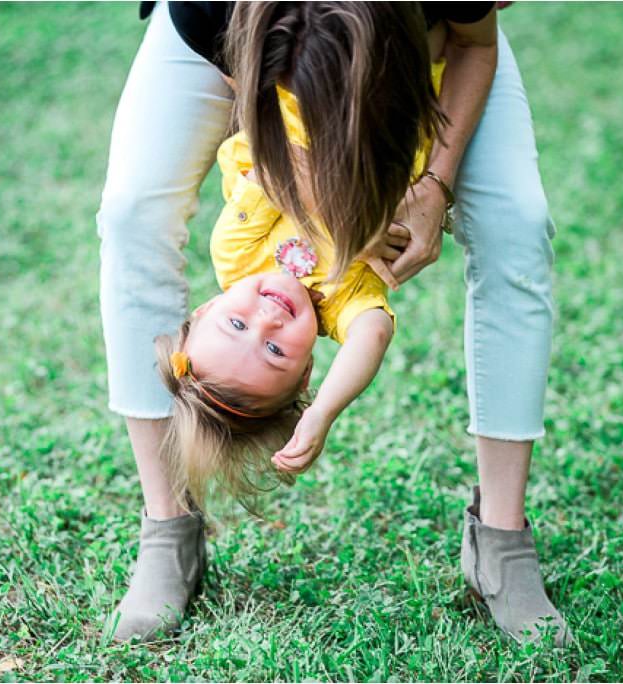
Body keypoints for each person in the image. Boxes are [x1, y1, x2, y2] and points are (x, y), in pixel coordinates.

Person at [97, 1, 569, 646]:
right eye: (264, 344)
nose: (263, 317)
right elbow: (262, 153)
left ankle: (502, 541)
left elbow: (475, 46)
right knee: (132, 214)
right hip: (230, 40)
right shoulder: (229, 22)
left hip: (427, 52)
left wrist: (432, 182)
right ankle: (167, 527)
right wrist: (344, 211)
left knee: (516, 221)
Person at [154, 53, 448, 515]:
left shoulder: (235, 253)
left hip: (310, 85)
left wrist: (351, 218)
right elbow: (374, 333)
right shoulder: (341, 303)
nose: (267, 321)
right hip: (402, 90)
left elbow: (274, 171)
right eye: (275, 351)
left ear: (206, 309)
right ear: (308, 370)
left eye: (235, 323)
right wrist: (322, 412)